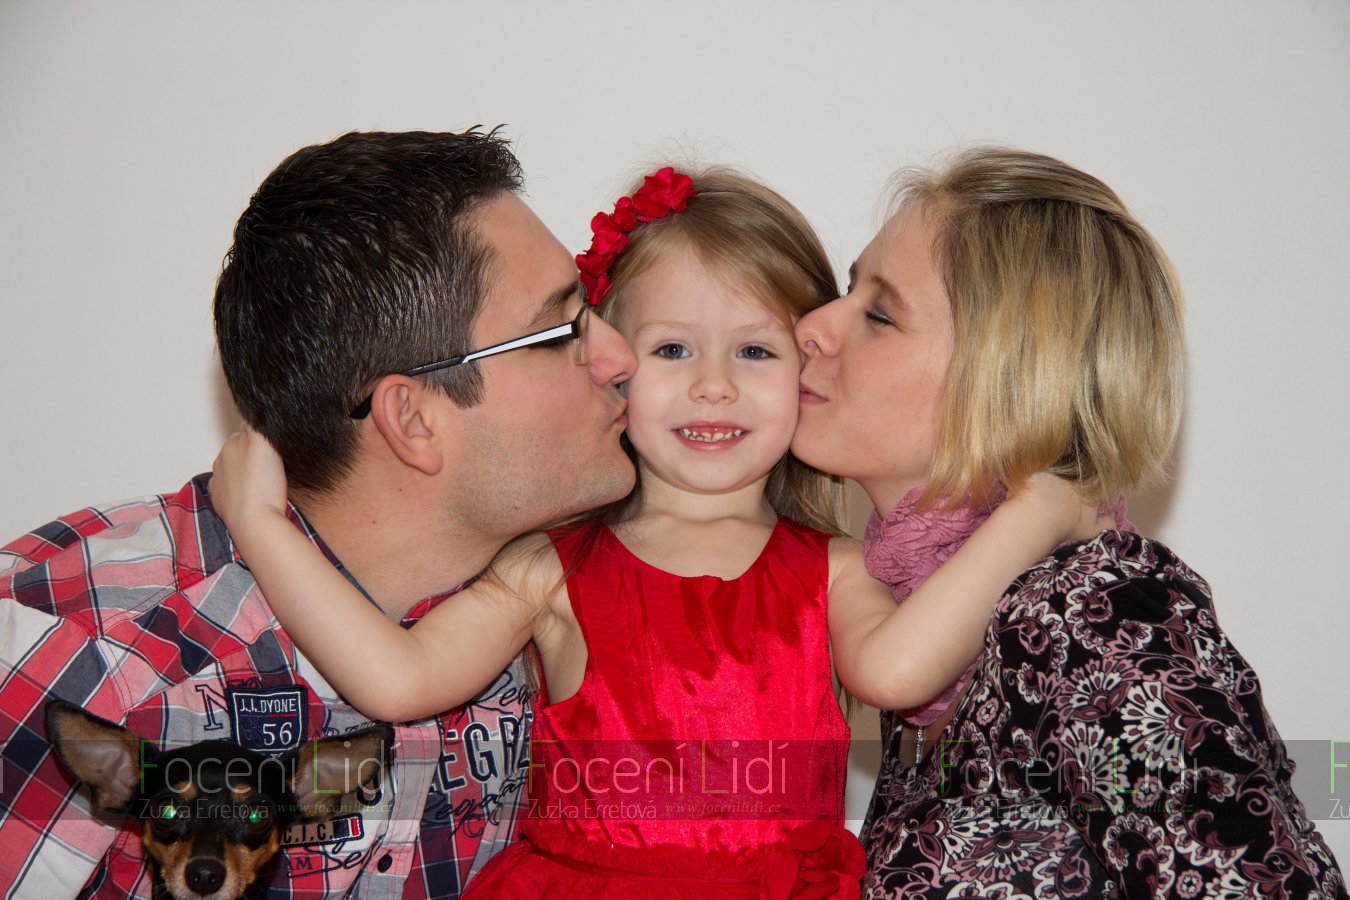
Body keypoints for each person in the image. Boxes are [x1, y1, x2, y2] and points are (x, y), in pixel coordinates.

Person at [210, 164, 1102, 898]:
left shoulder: (834, 570)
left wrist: (1034, 511)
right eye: (672, 350)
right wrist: (259, 522)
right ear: (613, 364)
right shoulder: (550, 567)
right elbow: (396, 678)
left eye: (755, 351)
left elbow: (899, 671)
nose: (713, 385)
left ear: (808, 372)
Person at [0, 129, 641, 898]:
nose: (620, 357)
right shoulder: (75, 649)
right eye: (564, 329)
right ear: (414, 420)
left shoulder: (574, 604)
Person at [790, 146, 1348, 897]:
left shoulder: (1095, 615)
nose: (813, 326)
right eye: (848, 289)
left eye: (880, 314)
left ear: (1011, 380)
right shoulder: (937, 628)